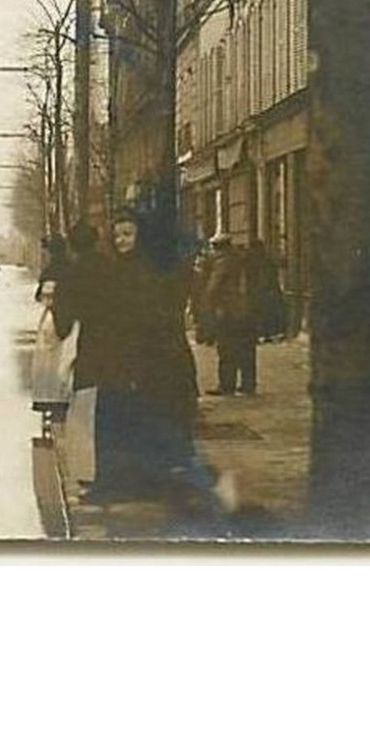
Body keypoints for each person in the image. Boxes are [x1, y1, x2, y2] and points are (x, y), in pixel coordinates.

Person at [55, 209, 233, 516]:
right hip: (119, 361)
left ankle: (136, 481)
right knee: (115, 422)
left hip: (147, 361)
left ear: (140, 237)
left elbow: (155, 315)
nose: (122, 240)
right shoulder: (110, 270)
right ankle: (117, 481)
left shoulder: (146, 270)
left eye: (128, 234)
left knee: (133, 422)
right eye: (118, 235)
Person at [198, 234, 259, 396]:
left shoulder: (221, 262)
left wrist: (206, 307)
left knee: (226, 349)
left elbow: (213, 288)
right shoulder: (240, 259)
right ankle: (248, 384)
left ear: (217, 247)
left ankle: (227, 385)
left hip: (228, 312)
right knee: (246, 349)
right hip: (247, 311)